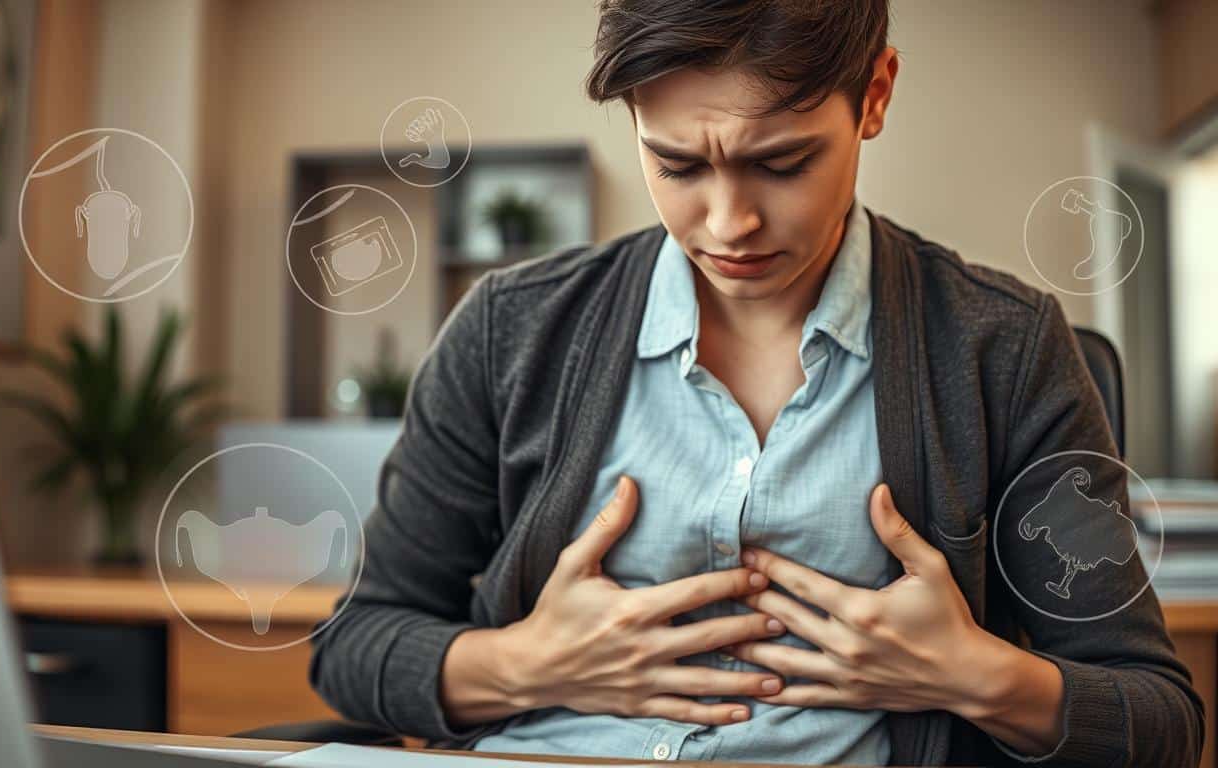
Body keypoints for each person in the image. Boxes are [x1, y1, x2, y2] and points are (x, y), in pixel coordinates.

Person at [311, 1, 1204, 765]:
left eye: (781, 163)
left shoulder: (1001, 349)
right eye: (678, 165)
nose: (729, 223)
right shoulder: (510, 330)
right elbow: (354, 643)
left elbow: (1160, 718)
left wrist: (971, 673)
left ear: (877, 94)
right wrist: (526, 666)